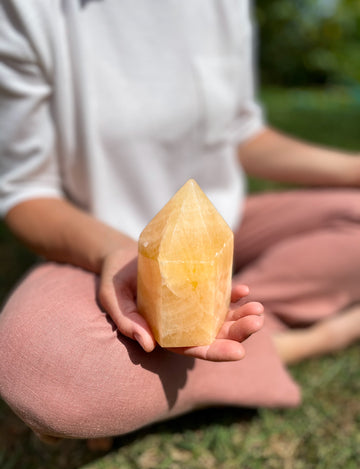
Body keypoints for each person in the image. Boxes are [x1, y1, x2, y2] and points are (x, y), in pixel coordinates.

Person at [0, 0, 359, 445]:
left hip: (225, 228)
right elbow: (25, 192)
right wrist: (118, 253)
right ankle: (294, 344)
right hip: (101, 249)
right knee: (42, 373)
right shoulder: (30, 10)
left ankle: (201, 335)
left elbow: (240, 134)